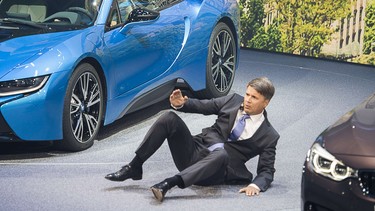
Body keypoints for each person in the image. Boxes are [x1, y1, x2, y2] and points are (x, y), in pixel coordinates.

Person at [105, 77, 280, 202]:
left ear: (266, 102)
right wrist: (182, 103)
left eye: (254, 97)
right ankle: (134, 167)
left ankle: (169, 183)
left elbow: (266, 170)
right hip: (194, 152)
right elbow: (206, 105)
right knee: (168, 118)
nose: (247, 100)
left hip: (215, 170)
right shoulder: (234, 100)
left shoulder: (269, 135)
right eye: (247, 94)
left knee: (221, 154)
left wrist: (256, 186)